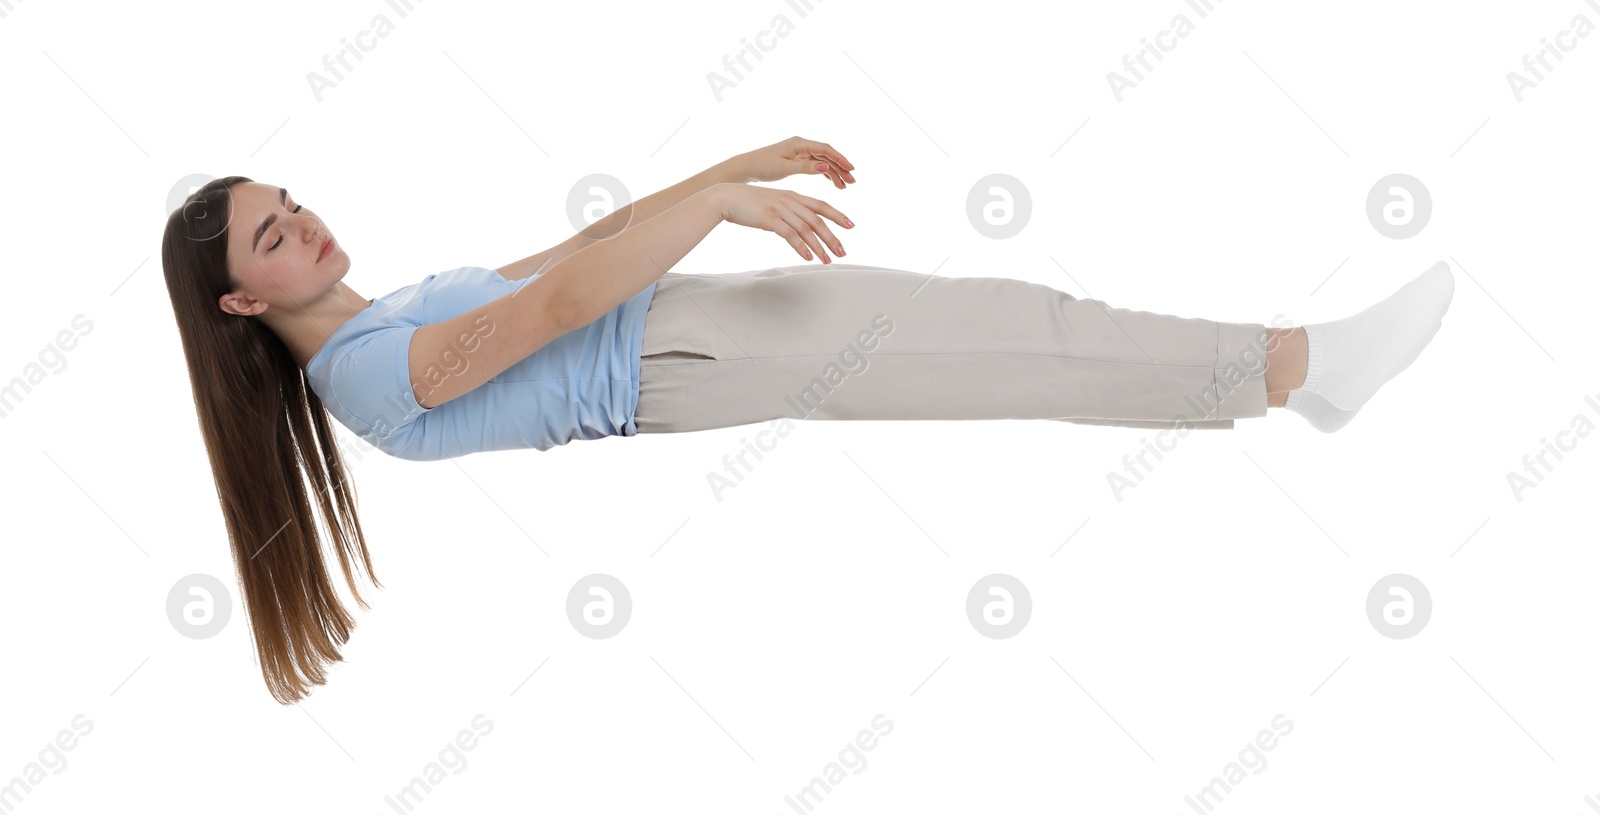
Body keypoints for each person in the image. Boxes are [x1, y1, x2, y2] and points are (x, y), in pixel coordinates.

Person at [159, 138, 1454, 704]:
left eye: (294, 199)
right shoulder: (368, 381)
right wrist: (716, 213)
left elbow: (581, 245)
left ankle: (1296, 371)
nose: (307, 226)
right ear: (235, 296)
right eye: (274, 236)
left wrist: (722, 174)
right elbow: (557, 306)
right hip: (682, 356)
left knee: (1005, 318)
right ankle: (1300, 367)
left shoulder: (381, 313)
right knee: (1004, 338)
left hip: (686, 318)